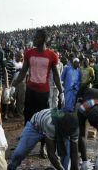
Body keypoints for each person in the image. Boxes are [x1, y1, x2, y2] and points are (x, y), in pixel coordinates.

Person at [12, 29, 64, 157]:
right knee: (28, 119)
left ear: (43, 39)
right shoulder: (29, 53)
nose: (34, 39)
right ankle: (24, 146)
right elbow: (23, 72)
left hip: (43, 93)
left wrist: (62, 92)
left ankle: (42, 148)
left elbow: (56, 76)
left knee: (43, 121)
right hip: (30, 91)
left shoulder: (52, 55)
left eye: (36, 37)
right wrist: (12, 86)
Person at [7, 108, 79, 170]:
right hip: (35, 127)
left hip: (56, 127)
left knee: (66, 153)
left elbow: (74, 152)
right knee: (19, 153)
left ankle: (64, 168)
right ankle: (11, 167)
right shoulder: (51, 124)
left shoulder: (75, 128)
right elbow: (51, 154)